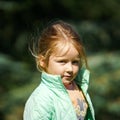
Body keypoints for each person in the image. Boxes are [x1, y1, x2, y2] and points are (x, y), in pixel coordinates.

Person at [23, 20, 95, 120]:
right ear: (43, 61)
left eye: (75, 62)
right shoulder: (41, 99)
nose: (70, 69)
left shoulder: (79, 86)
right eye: (62, 61)